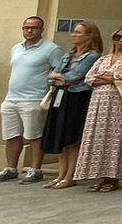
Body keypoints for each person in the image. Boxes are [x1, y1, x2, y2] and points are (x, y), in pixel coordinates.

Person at [67, 25, 122, 192]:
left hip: (117, 103)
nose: (121, 40)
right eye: (117, 37)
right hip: (97, 102)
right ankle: (101, 176)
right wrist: (109, 78)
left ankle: (112, 177)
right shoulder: (103, 58)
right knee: (97, 137)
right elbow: (88, 78)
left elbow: (121, 74)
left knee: (114, 139)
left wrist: (105, 77)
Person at [0, 17, 63, 182]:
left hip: (33, 99)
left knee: (34, 136)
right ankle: (10, 168)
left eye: (34, 28)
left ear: (41, 29)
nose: (29, 31)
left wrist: (51, 81)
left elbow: (61, 70)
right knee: (11, 135)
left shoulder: (51, 49)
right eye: (26, 28)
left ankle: (36, 169)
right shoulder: (16, 48)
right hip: (11, 98)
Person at [39, 23, 100, 187]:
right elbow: (51, 75)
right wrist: (59, 77)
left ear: (89, 35)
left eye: (79, 32)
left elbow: (76, 76)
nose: (74, 35)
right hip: (61, 94)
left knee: (72, 137)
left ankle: (70, 175)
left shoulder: (92, 56)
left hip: (77, 96)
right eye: (74, 32)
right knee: (61, 135)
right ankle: (61, 174)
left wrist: (60, 77)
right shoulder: (69, 54)